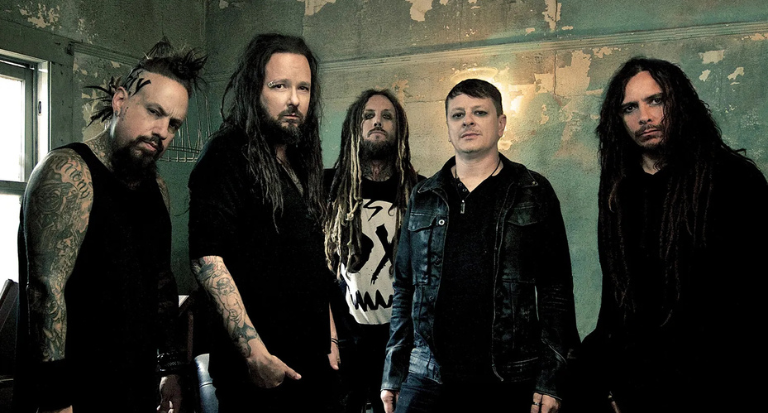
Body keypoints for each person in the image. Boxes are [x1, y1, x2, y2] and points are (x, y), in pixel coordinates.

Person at [14, 38, 206, 413]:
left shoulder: (156, 187)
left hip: (133, 389)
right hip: (73, 393)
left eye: (173, 124)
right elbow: (45, 292)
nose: (162, 131)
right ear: (120, 100)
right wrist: (55, 399)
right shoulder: (67, 172)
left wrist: (170, 368)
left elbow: (161, 281)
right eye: (154, 112)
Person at [581, 57, 768, 412]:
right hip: (639, 384)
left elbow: (754, 296)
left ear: (679, 102)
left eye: (656, 100)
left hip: (720, 380)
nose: (644, 117)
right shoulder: (620, 189)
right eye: (629, 108)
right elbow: (616, 296)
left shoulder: (733, 179)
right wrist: (610, 380)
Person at [380, 79, 578, 413]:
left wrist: (552, 379)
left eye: (479, 112)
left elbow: (555, 289)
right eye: (457, 115)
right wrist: (393, 373)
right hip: (428, 375)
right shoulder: (424, 195)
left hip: (509, 377)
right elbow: (403, 287)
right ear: (448, 128)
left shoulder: (532, 191)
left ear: (501, 124)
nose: (467, 121)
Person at [188, 33, 339, 412]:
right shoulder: (227, 153)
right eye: (279, 86)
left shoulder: (300, 159)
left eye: (303, 88)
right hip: (260, 373)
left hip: (312, 363)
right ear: (255, 90)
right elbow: (207, 258)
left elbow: (312, 261)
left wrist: (331, 337)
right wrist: (254, 353)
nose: (294, 99)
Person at [324, 89, 420, 413]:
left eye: (386, 116)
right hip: (344, 337)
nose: (377, 121)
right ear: (356, 126)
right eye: (369, 116)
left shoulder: (418, 191)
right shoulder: (329, 187)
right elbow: (314, 270)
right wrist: (329, 336)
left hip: (399, 341)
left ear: (399, 129)